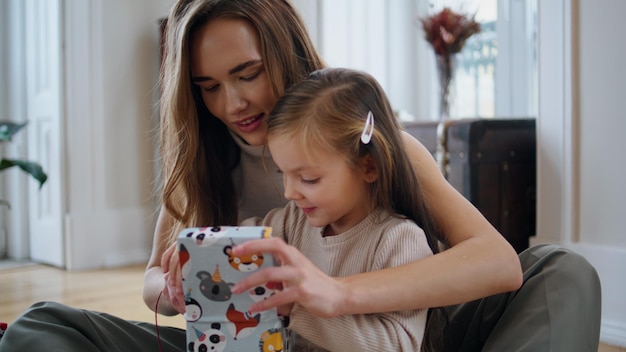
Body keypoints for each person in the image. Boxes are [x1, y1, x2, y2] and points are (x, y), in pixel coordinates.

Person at [0, 0, 601, 351]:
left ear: (284, 53)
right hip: (263, 342)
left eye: (247, 73)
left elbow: (496, 264)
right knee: (39, 328)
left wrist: (332, 296)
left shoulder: (366, 142)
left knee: (562, 271)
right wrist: (173, 290)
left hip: (398, 338)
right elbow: (157, 281)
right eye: (207, 87)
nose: (231, 103)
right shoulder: (203, 164)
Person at [255, 66, 444, 351]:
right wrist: (195, 255)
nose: (289, 192)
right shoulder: (293, 222)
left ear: (368, 166)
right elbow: (241, 243)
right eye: (283, 173)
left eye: (308, 179)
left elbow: (398, 345)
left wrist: (297, 308)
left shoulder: (399, 241)